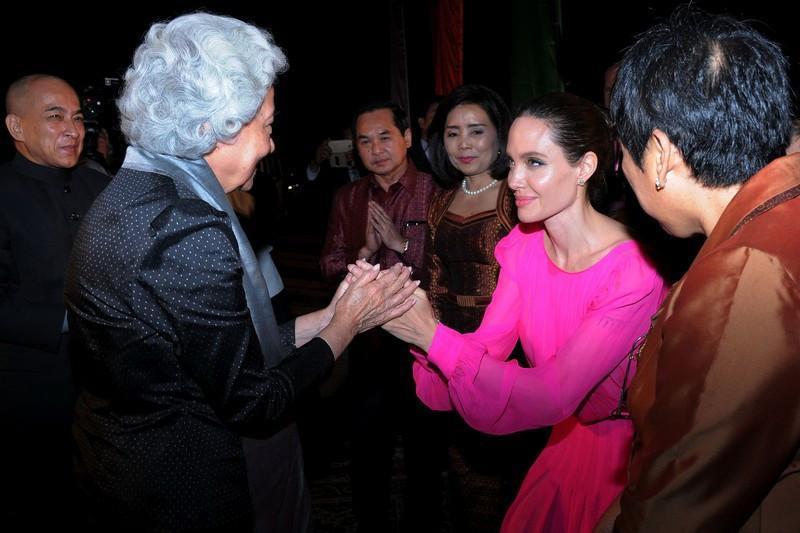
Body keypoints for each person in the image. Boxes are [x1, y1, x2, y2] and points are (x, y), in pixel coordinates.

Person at [64, 13, 417, 532]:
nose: (273, 145)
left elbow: (212, 352)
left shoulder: (135, 191)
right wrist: (345, 328)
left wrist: (333, 315)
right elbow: (254, 398)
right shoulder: (186, 226)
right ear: (214, 127)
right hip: (176, 485)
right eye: (267, 127)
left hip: (116, 460)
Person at [373, 92, 666, 532]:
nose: (513, 179)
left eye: (534, 163)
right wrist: (411, 319)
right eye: (511, 162)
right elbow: (488, 345)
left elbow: (555, 391)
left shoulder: (632, 270)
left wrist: (432, 337)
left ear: (584, 168)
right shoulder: (523, 247)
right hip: (565, 441)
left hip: (629, 459)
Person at [598, 7, 800, 532]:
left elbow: (674, 509)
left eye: (622, 153)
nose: (624, 174)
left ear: (660, 154)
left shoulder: (743, 278)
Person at [319, 101, 439, 532]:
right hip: (368, 342)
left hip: (424, 344)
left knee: (425, 451)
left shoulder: (435, 189)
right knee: (369, 448)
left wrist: (401, 244)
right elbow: (329, 266)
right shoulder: (348, 198)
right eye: (365, 141)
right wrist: (366, 251)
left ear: (407, 137)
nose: (376, 148)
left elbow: (447, 268)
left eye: (385, 136)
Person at [423, 83, 536, 532]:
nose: (464, 144)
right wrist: (433, 343)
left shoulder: (518, 197)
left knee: (514, 469)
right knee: (467, 471)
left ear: (500, 135)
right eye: (452, 133)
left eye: (476, 131)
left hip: (512, 354)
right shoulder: (440, 201)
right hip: (453, 351)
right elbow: (434, 279)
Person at [0, 74, 108, 529]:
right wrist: (67, 321)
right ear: (17, 128)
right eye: (54, 116)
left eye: (78, 118)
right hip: (33, 391)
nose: (73, 129)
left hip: (105, 382)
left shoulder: (96, 186)